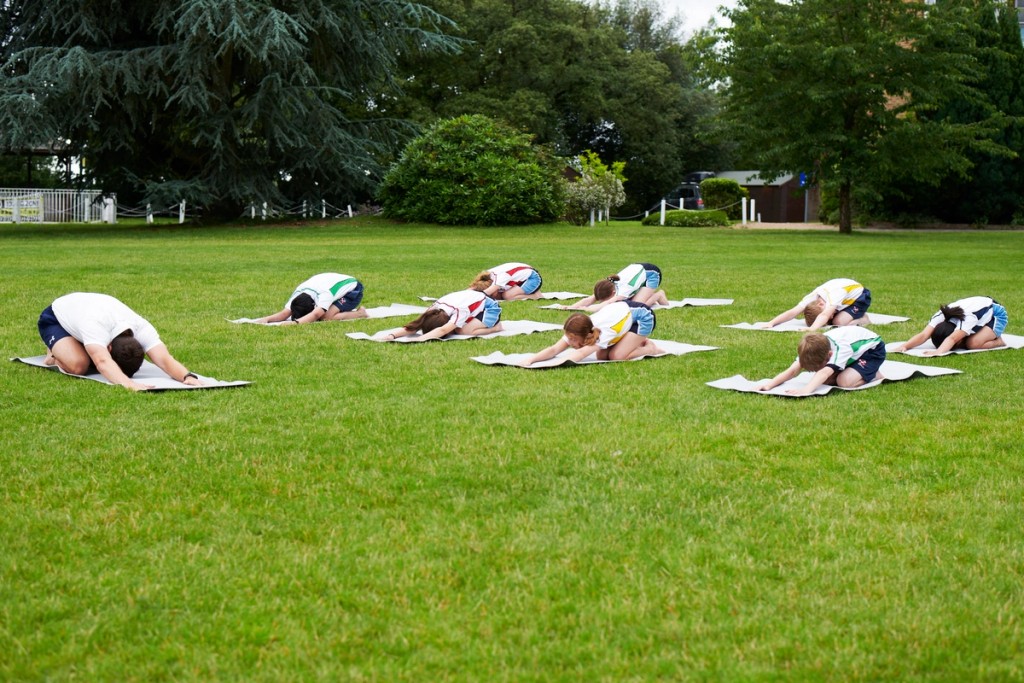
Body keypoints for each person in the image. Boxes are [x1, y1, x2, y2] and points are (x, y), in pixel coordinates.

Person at [38, 292, 204, 391]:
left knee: (91, 357)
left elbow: (164, 358)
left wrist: (187, 376)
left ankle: (74, 344)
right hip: (56, 317)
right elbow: (102, 361)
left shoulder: (141, 328)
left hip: (84, 313)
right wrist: (128, 384)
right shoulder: (95, 326)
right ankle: (53, 351)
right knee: (79, 365)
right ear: (108, 347)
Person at [521, 300, 663, 366]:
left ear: (585, 335)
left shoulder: (602, 332)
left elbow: (581, 354)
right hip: (622, 314)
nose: (569, 343)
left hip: (642, 317)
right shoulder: (576, 330)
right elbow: (554, 349)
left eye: (572, 339)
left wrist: (558, 364)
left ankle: (650, 348)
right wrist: (531, 359)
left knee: (615, 356)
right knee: (601, 355)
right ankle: (633, 341)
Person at [756, 326, 886, 396]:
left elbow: (824, 372)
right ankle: (856, 370)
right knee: (826, 380)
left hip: (872, 352)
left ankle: (873, 374)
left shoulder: (842, 348)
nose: (816, 371)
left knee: (843, 382)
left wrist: (806, 390)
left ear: (829, 355)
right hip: (854, 354)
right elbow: (793, 370)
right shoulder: (811, 350)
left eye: (818, 367)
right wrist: (769, 385)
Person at [893, 296, 1008, 356]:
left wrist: (938, 352)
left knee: (972, 343)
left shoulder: (967, 318)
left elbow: (952, 338)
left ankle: (999, 341)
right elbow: (924, 335)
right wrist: (905, 346)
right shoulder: (940, 316)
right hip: (981, 311)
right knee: (967, 341)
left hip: (997, 314)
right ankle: (984, 334)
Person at [381, 289, 502, 341]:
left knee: (462, 331)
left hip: (490, 307)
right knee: (457, 328)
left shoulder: (460, 311)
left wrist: (419, 339)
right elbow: (415, 325)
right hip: (472, 300)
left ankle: (496, 327)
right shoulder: (433, 309)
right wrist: (392, 335)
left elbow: (443, 330)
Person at [760, 277, 870, 330]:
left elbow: (825, 314)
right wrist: (772, 323)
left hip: (860, 297)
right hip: (845, 297)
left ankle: (862, 318)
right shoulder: (813, 298)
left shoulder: (834, 295)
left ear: (820, 305)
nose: (830, 315)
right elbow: (793, 312)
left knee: (838, 322)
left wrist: (812, 329)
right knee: (833, 320)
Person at [256, 272, 368, 324]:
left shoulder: (324, 295)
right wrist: (266, 319)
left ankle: (359, 314)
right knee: (323, 314)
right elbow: (284, 313)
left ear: (314, 306)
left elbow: (316, 315)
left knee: (326, 317)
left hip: (353, 289)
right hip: (330, 281)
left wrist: (295, 323)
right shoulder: (298, 295)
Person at [566, 263, 669, 312]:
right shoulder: (607, 285)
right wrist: (572, 306)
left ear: (613, 292)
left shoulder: (623, 290)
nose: (601, 302)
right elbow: (590, 299)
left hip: (652, 274)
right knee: (628, 300)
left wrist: (586, 309)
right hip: (639, 270)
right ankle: (647, 294)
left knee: (637, 305)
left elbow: (608, 303)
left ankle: (658, 295)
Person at [471, 263, 543, 300]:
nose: (493, 296)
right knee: (500, 295)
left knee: (507, 296)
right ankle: (528, 291)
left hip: (533, 278)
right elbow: (474, 287)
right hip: (523, 276)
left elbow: (485, 293)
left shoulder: (500, 278)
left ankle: (535, 296)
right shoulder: (487, 276)